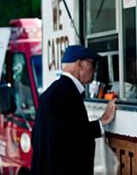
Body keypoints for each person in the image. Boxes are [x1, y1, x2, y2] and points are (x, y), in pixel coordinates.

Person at [31, 45, 117, 175]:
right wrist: (102, 121)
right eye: (92, 64)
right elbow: (72, 137)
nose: (94, 70)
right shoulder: (68, 94)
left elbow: (37, 137)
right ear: (79, 65)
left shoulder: (49, 93)